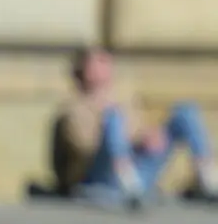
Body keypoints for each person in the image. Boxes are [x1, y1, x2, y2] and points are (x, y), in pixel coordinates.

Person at [50, 47, 218, 207]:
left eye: (107, 60)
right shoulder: (72, 109)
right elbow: (85, 149)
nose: (108, 64)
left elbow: (139, 130)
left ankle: (207, 176)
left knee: (185, 111)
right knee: (113, 119)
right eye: (99, 61)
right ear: (84, 69)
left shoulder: (125, 98)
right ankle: (127, 180)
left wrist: (151, 135)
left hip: (136, 170)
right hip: (99, 178)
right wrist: (131, 139)